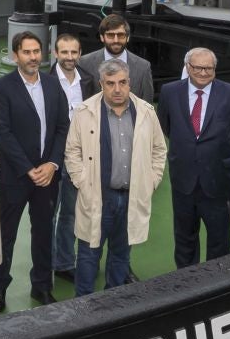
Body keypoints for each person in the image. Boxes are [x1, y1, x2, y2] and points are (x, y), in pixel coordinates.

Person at [63, 59, 167, 295]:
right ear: (101, 84)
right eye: (110, 83)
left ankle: (112, 302)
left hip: (131, 197)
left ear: (129, 83)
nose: (117, 89)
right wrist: (82, 182)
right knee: (89, 254)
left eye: (122, 82)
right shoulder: (85, 112)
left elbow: (159, 150)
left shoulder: (146, 113)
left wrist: (151, 181)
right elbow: (72, 151)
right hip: (99, 196)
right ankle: (83, 306)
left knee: (121, 254)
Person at [0, 31, 69, 311]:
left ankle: (42, 286)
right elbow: (3, 132)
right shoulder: (2, 87)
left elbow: (62, 127)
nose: (33, 57)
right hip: (15, 176)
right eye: (27, 52)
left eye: (37, 51)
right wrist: (28, 168)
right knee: (6, 233)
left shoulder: (52, 84)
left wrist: (52, 164)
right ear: (15, 55)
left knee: (44, 232)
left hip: (48, 174)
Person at [155, 47, 230, 267]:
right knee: (184, 239)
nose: (203, 72)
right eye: (198, 67)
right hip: (184, 181)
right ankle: (185, 284)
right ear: (187, 68)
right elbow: (166, 124)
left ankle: (215, 286)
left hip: (220, 182)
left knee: (219, 242)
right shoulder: (169, 92)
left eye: (209, 68)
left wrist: (220, 153)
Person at [49, 33, 97, 285]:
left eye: (73, 52)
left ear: (79, 54)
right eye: (64, 52)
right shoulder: (44, 80)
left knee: (71, 213)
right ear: (55, 53)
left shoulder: (88, 81)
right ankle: (45, 265)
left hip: (79, 158)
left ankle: (65, 263)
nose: (69, 57)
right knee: (49, 215)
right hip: (52, 158)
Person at [79, 13, 155, 103]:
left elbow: (147, 104)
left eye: (120, 35)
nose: (116, 40)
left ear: (127, 37)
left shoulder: (143, 67)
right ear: (102, 37)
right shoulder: (84, 63)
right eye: (111, 35)